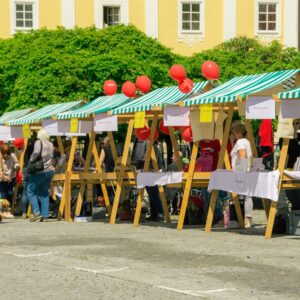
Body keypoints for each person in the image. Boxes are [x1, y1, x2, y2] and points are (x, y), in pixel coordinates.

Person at [27, 129, 54, 222]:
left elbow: (36, 152)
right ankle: (45, 215)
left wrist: (31, 159)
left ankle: (36, 213)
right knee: (45, 193)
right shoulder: (51, 144)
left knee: (31, 191)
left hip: (39, 170)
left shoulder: (38, 142)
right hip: (49, 170)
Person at [231, 123, 253, 228]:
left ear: (239, 133)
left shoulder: (240, 142)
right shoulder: (247, 141)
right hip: (247, 171)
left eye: (234, 133)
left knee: (242, 196)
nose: (233, 135)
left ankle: (244, 220)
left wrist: (240, 172)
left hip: (241, 172)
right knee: (248, 196)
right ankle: (248, 219)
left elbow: (243, 155)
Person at [279, 119, 300, 210]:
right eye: (292, 123)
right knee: (294, 198)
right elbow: (285, 156)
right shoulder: (284, 139)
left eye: (297, 123)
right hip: (290, 172)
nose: (294, 125)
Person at [21, 134, 36, 219]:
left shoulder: (27, 149)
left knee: (25, 192)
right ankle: (34, 213)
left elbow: (24, 161)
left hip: (26, 169)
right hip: (34, 170)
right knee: (34, 192)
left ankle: (24, 212)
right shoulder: (37, 149)